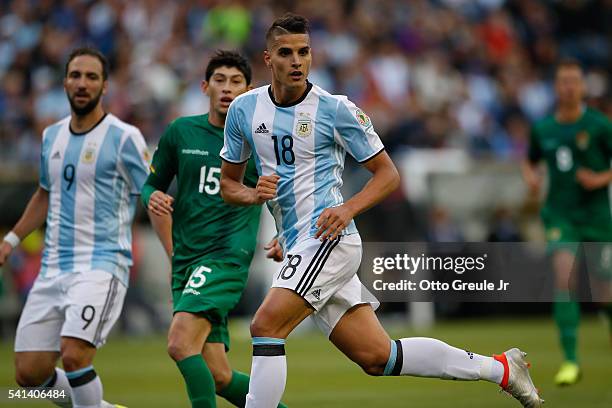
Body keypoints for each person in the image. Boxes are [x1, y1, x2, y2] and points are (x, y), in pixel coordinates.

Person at [220, 13, 543, 408]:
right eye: (285, 53)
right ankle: (502, 370)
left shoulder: (335, 109)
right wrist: (254, 197)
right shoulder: (243, 111)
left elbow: (388, 175)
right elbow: (229, 185)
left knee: (266, 325)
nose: (296, 61)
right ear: (267, 59)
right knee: (378, 356)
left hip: (329, 239)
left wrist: (347, 209)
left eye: (303, 52)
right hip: (296, 243)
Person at [0, 46, 149, 408]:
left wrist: (178, 246)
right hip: (54, 267)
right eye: (76, 75)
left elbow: (153, 192)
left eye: (91, 77)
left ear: (105, 85)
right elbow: (44, 194)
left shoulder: (124, 137)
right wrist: (11, 240)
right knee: (29, 375)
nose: (82, 83)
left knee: (75, 356)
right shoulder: (52, 136)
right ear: (65, 81)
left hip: (101, 264)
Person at [142, 50, 287, 408]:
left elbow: (284, 192)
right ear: (205, 86)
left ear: (248, 89)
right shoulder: (181, 132)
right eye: (219, 81)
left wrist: (285, 231)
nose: (227, 88)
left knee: (179, 344)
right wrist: (153, 197)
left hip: (225, 257)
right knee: (219, 375)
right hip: (186, 263)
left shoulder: (258, 140)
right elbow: (152, 183)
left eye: (236, 81)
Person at [522, 60, 612, 386]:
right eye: (563, 82)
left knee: (605, 292)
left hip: (597, 217)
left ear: (583, 87)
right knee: (565, 279)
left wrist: (601, 178)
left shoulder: (600, 126)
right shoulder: (543, 128)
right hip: (560, 215)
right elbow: (529, 161)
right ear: (556, 88)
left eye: (575, 81)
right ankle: (571, 361)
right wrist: (532, 178)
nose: (569, 87)